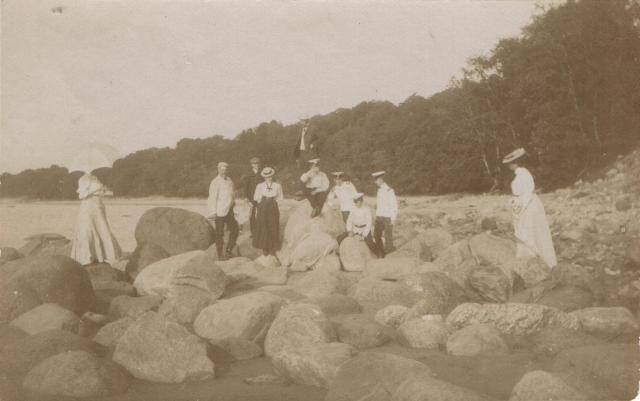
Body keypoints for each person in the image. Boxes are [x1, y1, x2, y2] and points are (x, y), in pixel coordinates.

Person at [503, 148, 557, 268]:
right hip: (531, 203)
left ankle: (535, 261)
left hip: (527, 205)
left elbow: (520, 193)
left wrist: (514, 202)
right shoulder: (524, 173)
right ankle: (542, 261)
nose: (509, 166)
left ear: (515, 163)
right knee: (535, 232)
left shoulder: (521, 175)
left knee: (528, 232)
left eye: (510, 164)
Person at [71, 172, 122, 265]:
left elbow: (102, 193)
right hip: (88, 205)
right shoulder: (83, 179)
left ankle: (103, 255)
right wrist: (96, 189)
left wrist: (101, 190)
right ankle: (88, 256)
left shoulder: (95, 178)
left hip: (97, 204)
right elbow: (82, 195)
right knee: (88, 228)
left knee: (102, 227)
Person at [207, 161, 239, 261]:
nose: (224, 171)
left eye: (226, 169)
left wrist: (233, 203)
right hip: (219, 211)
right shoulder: (215, 182)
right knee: (219, 233)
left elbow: (232, 194)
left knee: (235, 229)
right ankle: (220, 254)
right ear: (218, 169)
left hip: (229, 210)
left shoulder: (229, 180)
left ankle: (229, 251)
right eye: (222, 169)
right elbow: (212, 198)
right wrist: (213, 212)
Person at [252, 167, 284, 256]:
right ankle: (264, 247)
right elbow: (256, 197)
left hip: (273, 205)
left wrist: (273, 203)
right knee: (263, 225)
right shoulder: (260, 185)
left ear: (272, 176)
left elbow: (280, 197)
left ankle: (272, 247)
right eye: (267, 177)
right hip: (263, 206)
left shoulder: (277, 185)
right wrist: (262, 205)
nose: (269, 178)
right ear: (264, 177)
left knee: (273, 225)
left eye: (270, 176)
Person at [372, 171, 397, 258]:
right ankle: (382, 254)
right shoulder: (379, 190)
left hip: (387, 217)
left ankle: (390, 256)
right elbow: (379, 205)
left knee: (388, 238)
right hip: (379, 217)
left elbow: (394, 206)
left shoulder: (389, 190)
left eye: (376, 180)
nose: (375, 182)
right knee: (376, 236)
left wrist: (393, 219)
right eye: (375, 180)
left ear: (381, 179)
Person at [243, 157, 263, 237]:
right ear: (251, 165)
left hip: (260, 196)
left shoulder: (262, 173)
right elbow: (245, 186)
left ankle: (260, 231)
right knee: (252, 214)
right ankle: (253, 232)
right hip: (251, 197)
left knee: (261, 213)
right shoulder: (248, 174)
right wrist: (245, 197)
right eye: (254, 163)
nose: (256, 165)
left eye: (257, 163)